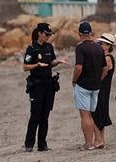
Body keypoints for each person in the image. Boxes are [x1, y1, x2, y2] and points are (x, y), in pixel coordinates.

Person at [22, 22, 62, 152]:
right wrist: (37, 65)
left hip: (48, 85)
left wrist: (58, 62)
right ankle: (29, 144)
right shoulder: (32, 48)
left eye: (50, 35)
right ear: (39, 33)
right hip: (37, 85)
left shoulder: (49, 47)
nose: (48, 37)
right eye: (46, 34)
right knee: (35, 115)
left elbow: (51, 63)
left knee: (45, 115)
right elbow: (25, 67)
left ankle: (42, 144)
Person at [71, 21, 106, 150]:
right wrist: (99, 80)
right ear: (90, 33)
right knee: (91, 114)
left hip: (83, 85)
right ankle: (98, 140)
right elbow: (105, 68)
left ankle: (88, 143)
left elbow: (79, 67)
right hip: (95, 86)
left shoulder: (80, 48)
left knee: (85, 115)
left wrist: (74, 80)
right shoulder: (99, 47)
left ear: (80, 34)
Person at [92, 33, 116, 141]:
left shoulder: (107, 58)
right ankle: (101, 139)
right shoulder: (106, 57)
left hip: (102, 88)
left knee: (97, 112)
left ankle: (98, 139)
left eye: (101, 43)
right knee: (101, 112)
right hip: (104, 88)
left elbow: (103, 71)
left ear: (108, 45)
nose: (99, 45)